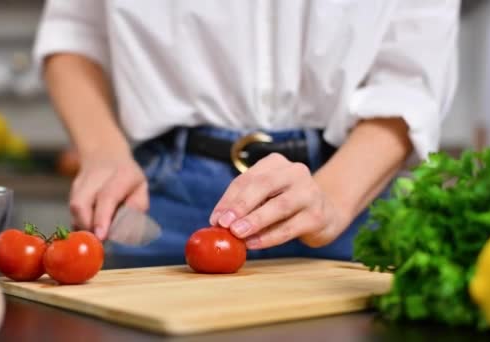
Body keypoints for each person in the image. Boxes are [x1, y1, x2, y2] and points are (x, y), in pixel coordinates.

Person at [33, 1, 459, 263]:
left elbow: (409, 76)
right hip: (165, 197)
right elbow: (74, 34)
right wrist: (103, 150)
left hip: (349, 192)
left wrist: (332, 197)